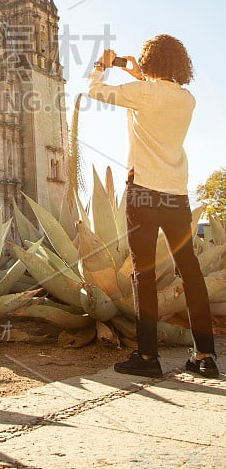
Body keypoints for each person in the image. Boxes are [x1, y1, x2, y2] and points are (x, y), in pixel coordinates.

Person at [87, 34, 219, 378]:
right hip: (177, 195)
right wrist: (139, 75)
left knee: (142, 274)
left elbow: (95, 91)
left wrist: (102, 65)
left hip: (143, 193)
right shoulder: (187, 99)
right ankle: (205, 356)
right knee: (190, 272)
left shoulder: (141, 93)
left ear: (148, 62)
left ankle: (148, 358)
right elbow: (158, 93)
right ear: (180, 64)